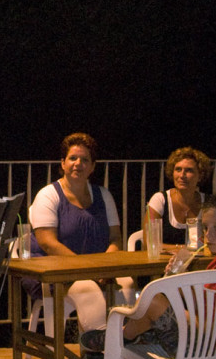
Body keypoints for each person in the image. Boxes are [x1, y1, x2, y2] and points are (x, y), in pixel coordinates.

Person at [81, 194, 216, 357]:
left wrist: (178, 303)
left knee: (153, 302)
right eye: (205, 228)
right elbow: (203, 305)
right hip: (201, 339)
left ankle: (118, 337)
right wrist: (178, 281)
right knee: (147, 312)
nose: (208, 235)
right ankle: (121, 346)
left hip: (213, 349)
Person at [27, 132, 137, 336]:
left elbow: (115, 239)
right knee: (88, 289)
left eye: (85, 160)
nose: (78, 164)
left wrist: (105, 269)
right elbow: (47, 242)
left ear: (93, 166)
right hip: (55, 274)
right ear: (63, 163)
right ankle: (101, 346)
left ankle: (123, 341)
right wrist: (88, 271)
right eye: (73, 158)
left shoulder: (104, 195)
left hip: (96, 271)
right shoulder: (48, 195)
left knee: (128, 284)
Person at [146, 146, 211, 246]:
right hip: (164, 257)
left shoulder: (209, 203)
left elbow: (214, 243)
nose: (182, 175)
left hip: (199, 257)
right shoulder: (160, 200)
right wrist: (183, 251)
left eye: (189, 170)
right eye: (178, 169)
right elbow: (149, 244)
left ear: (200, 175)